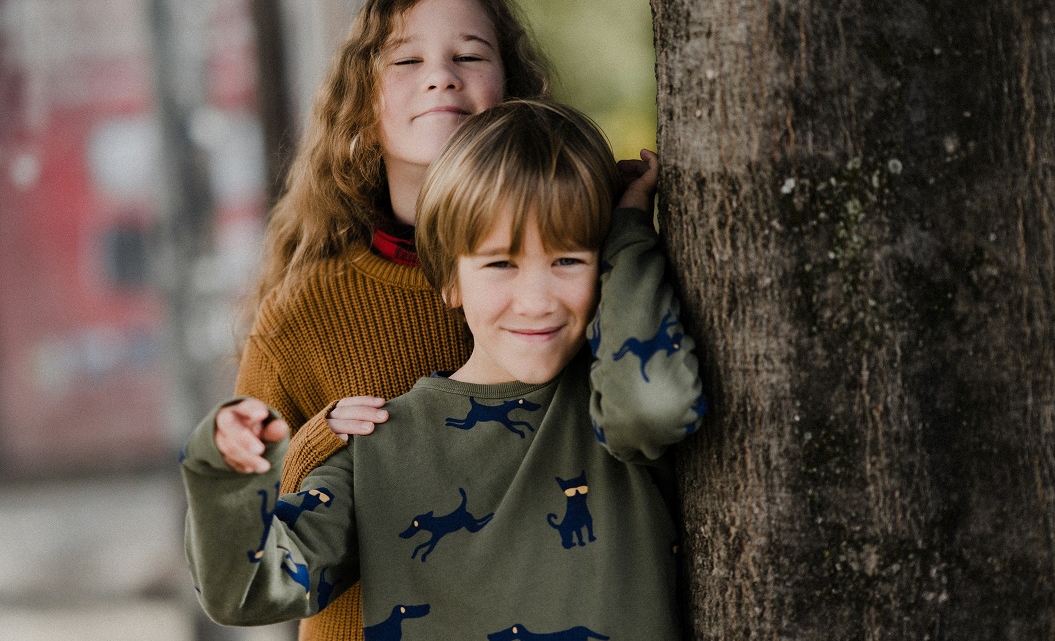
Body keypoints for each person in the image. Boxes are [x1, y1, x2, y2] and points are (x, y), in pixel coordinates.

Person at [183, 100, 706, 638]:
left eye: (568, 260)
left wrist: (629, 230)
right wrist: (222, 467)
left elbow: (657, 404)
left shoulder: (608, 406)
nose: (536, 299)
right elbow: (245, 592)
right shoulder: (379, 449)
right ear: (450, 279)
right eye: (501, 263)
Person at [217, 0, 552, 639]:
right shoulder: (304, 312)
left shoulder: (568, 273)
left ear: (511, 91)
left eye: (469, 55)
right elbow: (241, 542)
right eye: (407, 59)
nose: (442, 75)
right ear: (362, 106)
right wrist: (321, 440)